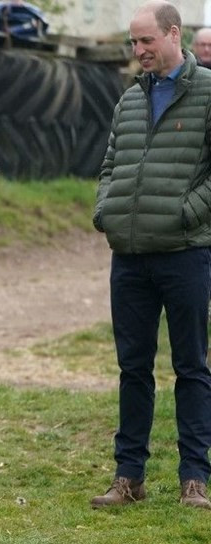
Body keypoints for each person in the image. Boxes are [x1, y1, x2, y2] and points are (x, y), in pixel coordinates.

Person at [91, 1, 211, 511]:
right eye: (132, 42)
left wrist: (188, 212)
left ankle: (194, 479)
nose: (137, 50)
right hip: (130, 256)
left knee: (191, 366)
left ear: (172, 35)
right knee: (132, 368)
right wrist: (107, 212)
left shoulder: (207, 93)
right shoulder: (129, 100)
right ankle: (128, 477)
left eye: (145, 41)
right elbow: (110, 163)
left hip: (186, 252)